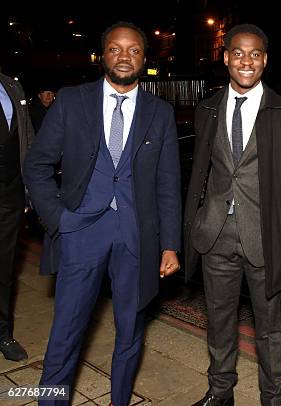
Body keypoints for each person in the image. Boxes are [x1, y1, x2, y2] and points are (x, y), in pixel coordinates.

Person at [23, 22, 181, 406]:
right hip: (80, 233)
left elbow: (168, 183)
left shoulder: (160, 112)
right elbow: (37, 166)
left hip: (137, 236)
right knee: (66, 331)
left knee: (130, 330)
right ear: (102, 55)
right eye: (115, 49)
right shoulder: (73, 101)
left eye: (133, 50)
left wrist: (171, 245)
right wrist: (59, 219)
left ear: (144, 59)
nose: (124, 56)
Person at [184, 24, 281, 406]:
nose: (247, 61)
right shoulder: (207, 108)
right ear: (225, 57)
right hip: (215, 234)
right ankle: (220, 391)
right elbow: (202, 172)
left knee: (269, 329)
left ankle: (273, 397)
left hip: (267, 237)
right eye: (238, 53)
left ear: (265, 60)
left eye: (255, 53)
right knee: (219, 321)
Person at [0, 72, 34, 362]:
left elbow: (27, 140)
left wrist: (29, 190)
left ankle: (2, 334)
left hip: (10, 196)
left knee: (4, 268)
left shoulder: (12, 86)